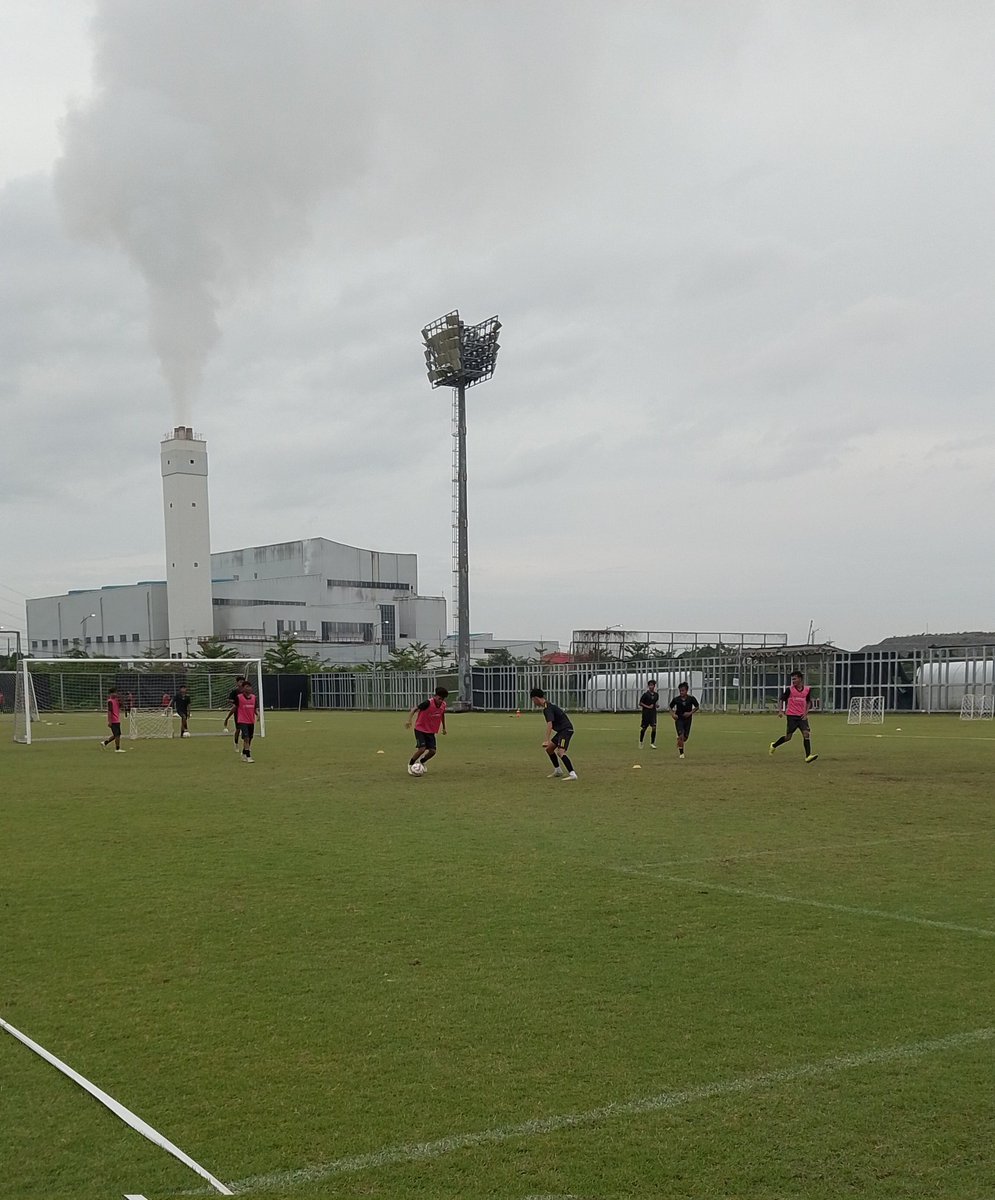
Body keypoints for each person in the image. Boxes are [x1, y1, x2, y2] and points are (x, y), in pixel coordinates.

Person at [770, 671, 818, 762]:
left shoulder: (807, 690)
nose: (793, 681)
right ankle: (774, 745)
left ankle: (808, 756)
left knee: (806, 734)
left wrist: (806, 712)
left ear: (800, 679)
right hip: (791, 716)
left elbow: (808, 702)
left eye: (795, 679)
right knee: (788, 737)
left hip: (802, 716)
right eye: (792, 679)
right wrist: (780, 711)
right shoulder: (790, 690)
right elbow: (781, 699)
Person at [530, 687, 577, 779]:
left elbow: (550, 724)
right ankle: (558, 771)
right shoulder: (548, 706)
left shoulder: (547, 708)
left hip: (566, 730)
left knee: (560, 752)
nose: (533, 703)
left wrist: (546, 740)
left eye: (533, 700)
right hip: (561, 731)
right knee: (549, 749)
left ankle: (572, 774)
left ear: (536, 698)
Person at [405, 686, 448, 774]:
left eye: (442, 699)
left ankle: (422, 762)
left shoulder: (443, 705)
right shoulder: (427, 703)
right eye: (439, 698)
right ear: (435, 696)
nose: (441, 700)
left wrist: (444, 727)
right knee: (422, 749)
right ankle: (410, 765)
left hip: (430, 731)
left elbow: (442, 715)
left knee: (433, 751)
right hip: (420, 729)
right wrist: (409, 720)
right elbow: (414, 709)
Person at [668, 681, 700, 759]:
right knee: (681, 736)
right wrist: (673, 715)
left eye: (683, 690)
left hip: (688, 720)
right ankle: (681, 754)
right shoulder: (676, 699)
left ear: (687, 690)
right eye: (680, 691)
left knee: (684, 738)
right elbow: (670, 707)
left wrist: (690, 713)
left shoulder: (691, 698)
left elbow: (697, 707)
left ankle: (679, 740)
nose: (681, 692)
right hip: (679, 719)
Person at [235, 679, 259, 763]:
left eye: (250, 686)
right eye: (246, 687)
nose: (249, 688)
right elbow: (235, 707)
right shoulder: (239, 697)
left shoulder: (254, 697)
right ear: (243, 688)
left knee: (250, 738)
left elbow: (254, 709)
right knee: (246, 738)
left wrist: (258, 715)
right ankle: (248, 756)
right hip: (242, 720)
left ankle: (244, 752)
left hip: (251, 721)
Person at [223, 675, 247, 753]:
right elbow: (229, 700)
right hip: (238, 713)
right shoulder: (234, 692)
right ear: (237, 683)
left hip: (246, 712)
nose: (242, 683)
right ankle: (236, 744)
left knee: (246, 730)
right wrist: (234, 701)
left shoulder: (246, 692)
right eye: (240, 682)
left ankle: (246, 746)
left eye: (243, 682)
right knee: (238, 729)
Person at [99, 686, 126, 752]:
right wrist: (110, 721)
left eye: (116, 693)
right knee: (117, 735)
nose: (116, 694)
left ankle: (105, 743)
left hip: (117, 719)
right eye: (114, 693)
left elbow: (121, 706)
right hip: (114, 720)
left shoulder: (116, 700)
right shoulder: (110, 701)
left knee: (116, 734)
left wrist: (121, 700)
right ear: (111, 694)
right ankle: (117, 749)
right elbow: (109, 712)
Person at [638, 680, 660, 748]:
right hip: (646, 714)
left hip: (653, 714)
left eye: (652, 685)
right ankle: (641, 741)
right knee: (644, 728)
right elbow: (640, 703)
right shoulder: (645, 694)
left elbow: (653, 702)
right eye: (650, 685)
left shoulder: (656, 695)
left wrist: (656, 705)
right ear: (648, 686)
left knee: (654, 727)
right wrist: (648, 707)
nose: (651, 687)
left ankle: (652, 743)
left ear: (654, 686)